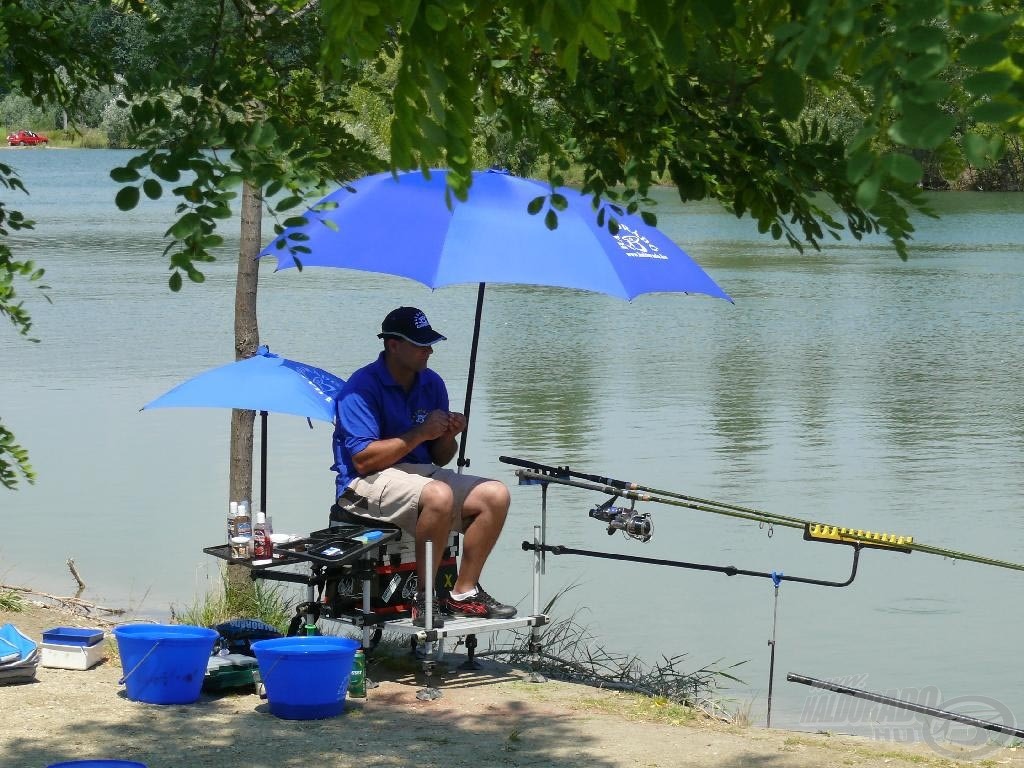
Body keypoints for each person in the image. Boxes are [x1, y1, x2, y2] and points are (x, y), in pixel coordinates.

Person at [332, 306, 517, 626]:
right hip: (362, 483)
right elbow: (362, 461)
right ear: (393, 345)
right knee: (439, 495)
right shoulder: (359, 388)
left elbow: (440, 457)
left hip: (416, 475)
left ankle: (463, 593)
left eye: (430, 342)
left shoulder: (432, 384)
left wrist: (448, 435)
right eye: (420, 344)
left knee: (495, 495)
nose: (429, 350)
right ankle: (425, 598)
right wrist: (421, 432)